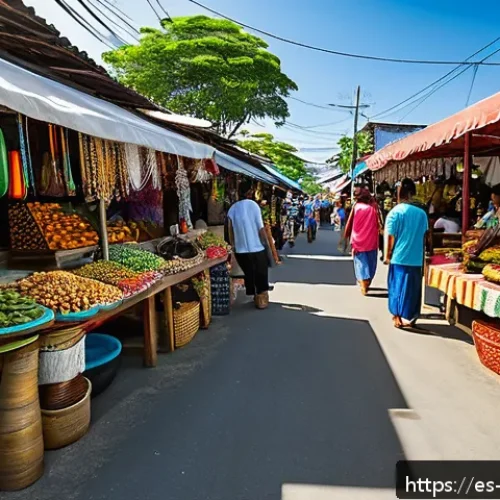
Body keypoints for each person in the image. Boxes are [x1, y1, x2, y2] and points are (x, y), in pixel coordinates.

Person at [385, 178, 429, 329]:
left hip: (398, 257)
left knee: (397, 288)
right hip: (416, 258)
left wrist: (387, 255)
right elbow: (425, 236)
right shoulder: (422, 213)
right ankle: (411, 317)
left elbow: (390, 237)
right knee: (413, 289)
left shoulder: (394, 212)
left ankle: (397, 317)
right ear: (412, 193)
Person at [227, 180, 270, 309]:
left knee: (249, 273)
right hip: (257, 247)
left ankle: (255, 295)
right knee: (261, 272)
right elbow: (260, 228)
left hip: (241, 250)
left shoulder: (232, 209)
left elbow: (230, 232)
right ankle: (261, 297)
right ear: (250, 192)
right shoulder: (254, 206)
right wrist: (267, 243)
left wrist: (233, 247)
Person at [344, 187, 380, 295]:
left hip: (358, 240)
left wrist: (346, 235)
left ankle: (363, 282)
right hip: (372, 240)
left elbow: (349, 222)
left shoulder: (356, 207)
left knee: (361, 263)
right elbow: (379, 222)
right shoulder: (373, 207)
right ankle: (367, 281)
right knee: (371, 262)